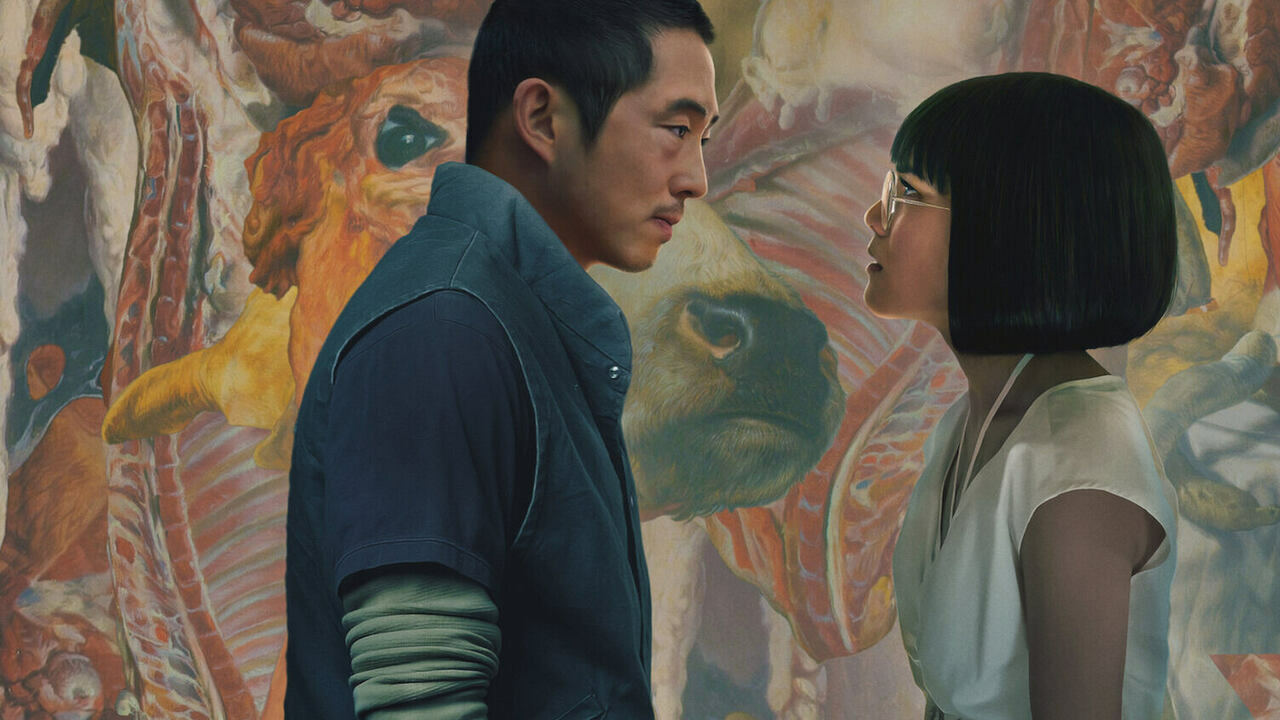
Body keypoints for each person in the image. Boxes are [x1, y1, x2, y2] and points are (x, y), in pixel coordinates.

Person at [283, 1, 718, 717]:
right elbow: (418, 708)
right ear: (543, 118)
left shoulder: (506, 317)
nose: (696, 178)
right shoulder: (444, 330)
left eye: (703, 137)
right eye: (676, 129)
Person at [863, 72, 1179, 720]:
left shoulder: (1077, 470)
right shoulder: (973, 419)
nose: (876, 216)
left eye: (907, 192)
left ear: (1008, 228)